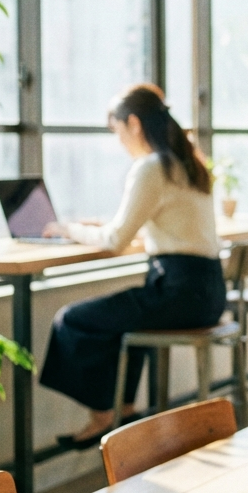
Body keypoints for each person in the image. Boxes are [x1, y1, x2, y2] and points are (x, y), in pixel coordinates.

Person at [39, 85, 226, 448]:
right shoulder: (186, 163)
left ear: (135, 124)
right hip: (207, 292)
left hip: (177, 292)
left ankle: (104, 416)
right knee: (122, 324)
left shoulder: (152, 167)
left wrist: (67, 229)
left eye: (118, 131)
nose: (119, 141)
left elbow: (114, 241)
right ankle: (123, 412)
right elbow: (171, 232)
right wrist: (99, 228)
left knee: (73, 320)